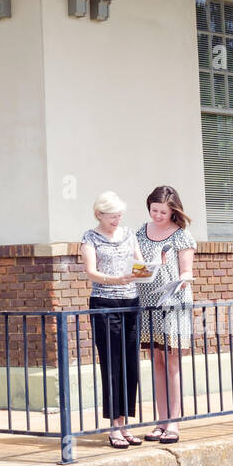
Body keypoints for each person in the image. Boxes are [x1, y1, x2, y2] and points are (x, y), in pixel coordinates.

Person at [79, 191, 143, 448]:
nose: (117, 219)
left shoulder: (129, 234)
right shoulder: (90, 237)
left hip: (131, 302)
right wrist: (114, 280)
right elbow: (91, 272)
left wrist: (150, 267)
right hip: (105, 304)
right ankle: (113, 426)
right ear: (99, 214)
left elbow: (139, 262)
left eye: (119, 215)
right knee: (112, 363)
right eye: (112, 216)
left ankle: (125, 422)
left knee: (130, 363)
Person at [133, 185, 196, 444]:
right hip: (148, 302)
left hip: (174, 302)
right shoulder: (140, 232)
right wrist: (145, 268)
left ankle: (174, 422)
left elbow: (187, 271)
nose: (157, 215)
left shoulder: (182, 235)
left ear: (173, 211)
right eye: (154, 210)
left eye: (163, 211)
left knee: (172, 362)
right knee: (156, 361)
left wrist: (183, 279)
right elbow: (136, 268)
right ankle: (160, 421)